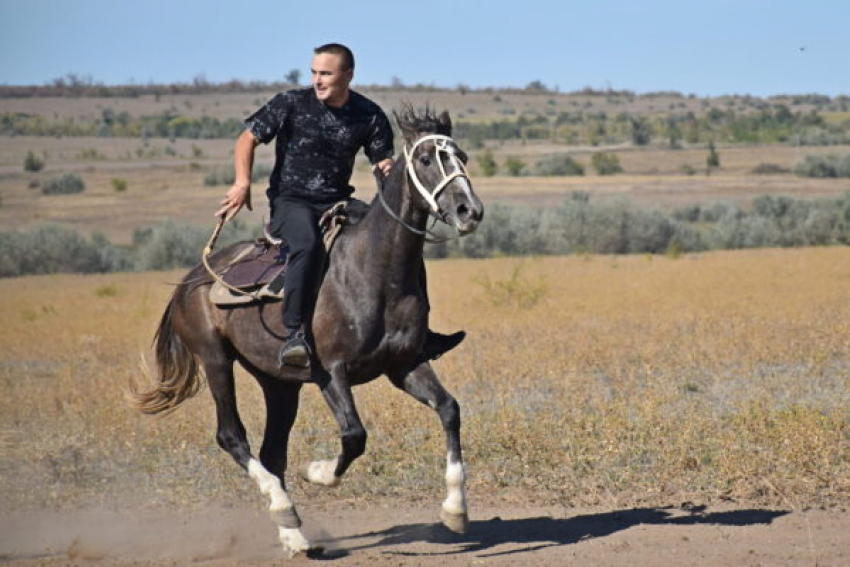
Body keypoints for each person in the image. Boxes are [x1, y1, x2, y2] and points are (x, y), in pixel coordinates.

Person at [215, 43, 463, 368]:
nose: (318, 80)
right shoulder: (290, 103)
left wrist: (387, 168)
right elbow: (247, 138)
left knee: (397, 240)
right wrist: (241, 183)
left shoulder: (369, 114)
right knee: (306, 245)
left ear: (347, 75)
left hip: (339, 201)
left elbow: (381, 161)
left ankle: (421, 333)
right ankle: (296, 334)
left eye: (326, 74)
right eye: (314, 73)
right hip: (292, 202)